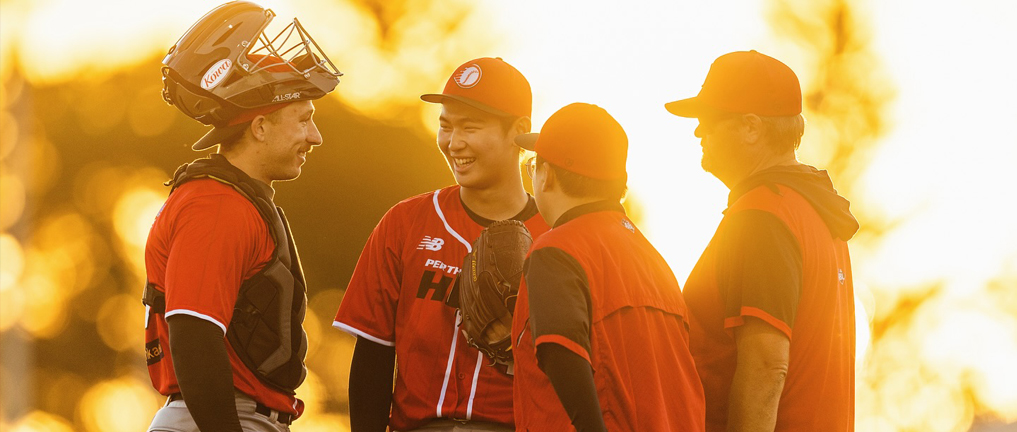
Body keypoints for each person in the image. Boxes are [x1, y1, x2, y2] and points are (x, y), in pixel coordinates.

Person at [142, 2, 342, 431]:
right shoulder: (216, 206)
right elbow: (194, 334)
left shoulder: (233, 200)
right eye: (303, 118)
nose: (315, 136)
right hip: (219, 418)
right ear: (260, 126)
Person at [333, 57, 550, 432]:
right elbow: (373, 355)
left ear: (519, 130)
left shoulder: (554, 237)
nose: (454, 142)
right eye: (445, 126)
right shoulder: (405, 222)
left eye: (470, 127)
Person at [665, 50, 859, 432]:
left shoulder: (762, 217)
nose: (698, 132)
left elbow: (767, 364)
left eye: (709, 119)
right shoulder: (814, 212)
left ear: (752, 128)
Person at [511, 103, 706, 431]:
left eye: (533, 165)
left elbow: (561, 353)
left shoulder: (557, 250)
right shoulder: (653, 260)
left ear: (547, 176)